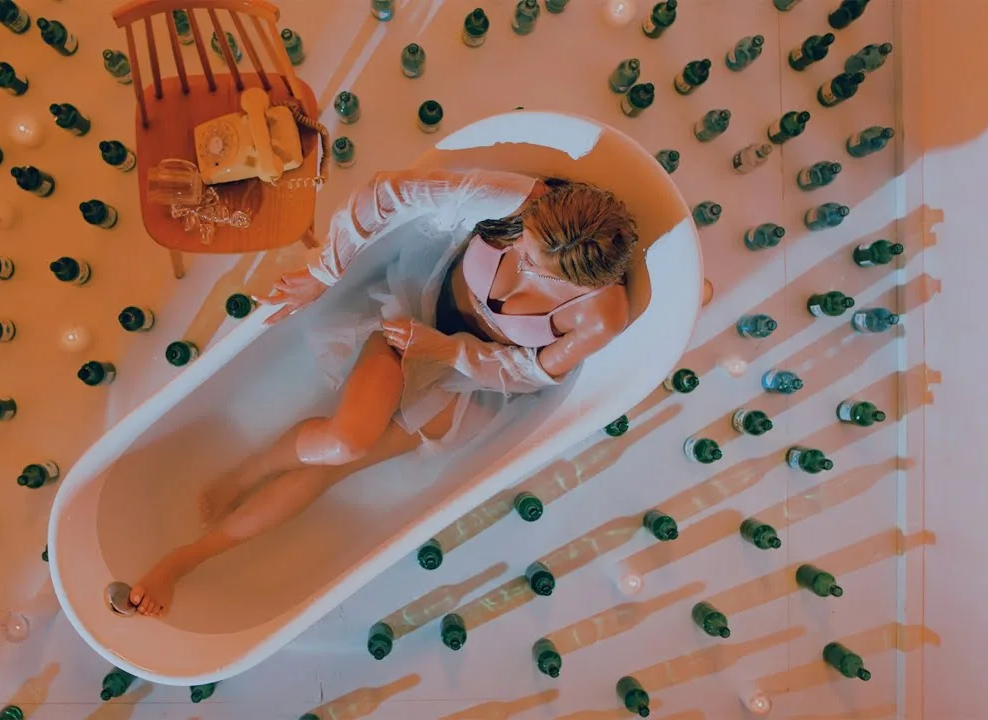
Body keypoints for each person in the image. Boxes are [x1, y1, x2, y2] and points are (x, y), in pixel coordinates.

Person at [130, 168, 639, 615]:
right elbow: (386, 192)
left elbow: (527, 374)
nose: (518, 261)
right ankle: (252, 470)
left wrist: (446, 351)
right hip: (413, 311)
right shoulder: (522, 201)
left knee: (336, 468)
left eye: (534, 266)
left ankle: (186, 560)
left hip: (465, 379)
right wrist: (323, 271)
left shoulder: (602, 314)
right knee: (343, 441)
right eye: (521, 246)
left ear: (578, 283)